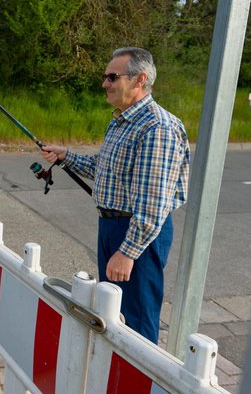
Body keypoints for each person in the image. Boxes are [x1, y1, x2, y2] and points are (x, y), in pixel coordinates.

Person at [41, 47, 189, 343]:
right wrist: (65, 156)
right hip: (113, 227)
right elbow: (104, 168)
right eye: (105, 77)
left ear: (139, 80)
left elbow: (153, 203)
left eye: (112, 77)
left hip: (137, 234)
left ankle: (140, 382)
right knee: (113, 313)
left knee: (136, 322)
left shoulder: (156, 127)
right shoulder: (122, 120)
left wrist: (127, 252)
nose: (104, 83)